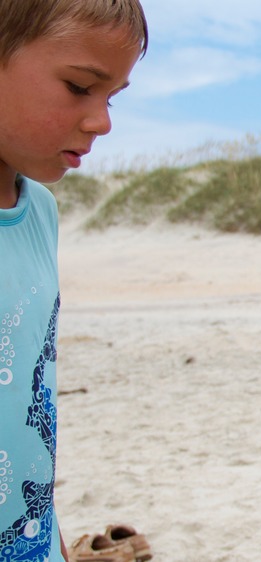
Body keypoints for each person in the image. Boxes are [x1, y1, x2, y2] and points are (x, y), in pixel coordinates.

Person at [0, 1, 147, 561]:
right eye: (79, 86)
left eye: (111, 97)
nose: (102, 121)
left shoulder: (40, 212)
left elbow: (27, 420)